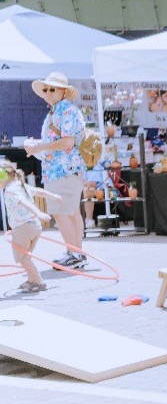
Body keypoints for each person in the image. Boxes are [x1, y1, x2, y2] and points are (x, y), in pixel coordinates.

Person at [23, 72, 88, 269]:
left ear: (64, 91)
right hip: (64, 169)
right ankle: (77, 253)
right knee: (71, 212)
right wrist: (39, 147)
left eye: (52, 89)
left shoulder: (65, 111)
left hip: (64, 170)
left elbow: (67, 142)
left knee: (61, 212)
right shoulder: (57, 111)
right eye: (46, 89)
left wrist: (39, 147)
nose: (48, 92)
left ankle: (74, 254)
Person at [1, 159, 50, 294]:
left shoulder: (10, 190)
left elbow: (23, 202)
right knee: (26, 257)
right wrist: (54, 196)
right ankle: (31, 280)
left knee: (23, 258)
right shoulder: (19, 185)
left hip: (23, 227)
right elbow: (38, 191)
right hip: (34, 226)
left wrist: (38, 212)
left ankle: (39, 282)